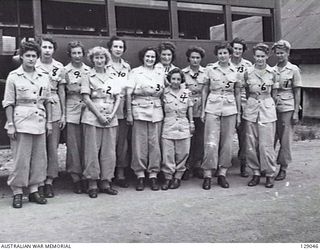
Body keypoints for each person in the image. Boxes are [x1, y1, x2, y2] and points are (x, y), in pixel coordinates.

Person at [2, 40, 52, 208]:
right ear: (21, 57)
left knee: (39, 158)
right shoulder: (14, 76)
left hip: (39, 120)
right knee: (21, 159)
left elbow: (48, 101)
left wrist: (49, 122)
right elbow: (8, 102)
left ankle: (34, 189)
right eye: (28, 56)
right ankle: (17, 191)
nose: (31, 59)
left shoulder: (43, 76)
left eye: (34, 56)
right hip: (21, 120)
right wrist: (10, 124)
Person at [81, 46, 121, 198]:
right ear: (92, 60)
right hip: (93, 116)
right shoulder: (87, 75)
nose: (99, 60)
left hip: (110, 116)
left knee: (109, 151)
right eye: (96, 58)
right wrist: (99, 116)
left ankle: (106, 181)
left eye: (102, 57)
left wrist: (112, 114)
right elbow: (86, 98)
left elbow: (118, 97)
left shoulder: (113, 75)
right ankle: (92, 183)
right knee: (92, 150)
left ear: (106, 59)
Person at [200, 43, 241, 190]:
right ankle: (208, 174)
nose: (222, 56)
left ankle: (222, 173)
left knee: (227, 143)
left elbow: (237, 92)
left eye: (225, 53)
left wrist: (238, 114)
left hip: (230, 107)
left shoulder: (235, 71)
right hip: (212, 106)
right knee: (210, 142)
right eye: (220, 53)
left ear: (230, 54)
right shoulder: (210, 69)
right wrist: (203, 110)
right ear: (217, 55)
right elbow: (204, 89)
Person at [127, 47, 165, 191]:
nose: (150, 59)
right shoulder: (135, 72)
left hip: (156, 110)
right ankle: (140, 175)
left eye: (153, 57)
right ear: (142, 57)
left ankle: (153, 174)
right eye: (147, 57)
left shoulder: (159, 73)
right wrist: (129, 113)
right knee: (139, 144)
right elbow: (129, 94)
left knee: (154, 144)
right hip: (139, 110)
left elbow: (163, 93)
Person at [243, 43, 278, 188]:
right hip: (251, 109)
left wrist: (268, 106)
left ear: (267, 56)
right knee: (251, 143)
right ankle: (256, 172)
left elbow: (274, 95)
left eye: (262, 56)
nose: (260, 59)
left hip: (267, 109)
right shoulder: (248, 72)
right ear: (253, 57)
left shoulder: (272, 73)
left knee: (266, 144)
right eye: (257, 56)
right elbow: (245, 90)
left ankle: (269, 173)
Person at [35, 35, 66, 198]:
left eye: (50, 47)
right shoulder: (33, 63)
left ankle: (49, 181)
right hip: (38, 105)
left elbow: (61, 90)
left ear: (54, 50)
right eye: (44, 47)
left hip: (54, 105)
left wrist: (63, 115)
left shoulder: (59, 67)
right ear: (39, 48)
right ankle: (38, 181)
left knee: (52, 146)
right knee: (39, 146)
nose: (47, 50)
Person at [272, 40, 302, 181]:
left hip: (287, 107)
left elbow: (297, 92)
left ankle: (283, 167)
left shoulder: (293, 70)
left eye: (282, 53)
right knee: (271, 138)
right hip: (272, 107)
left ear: (288, 53)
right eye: (277, 53)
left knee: (285, 139)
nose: (279, 56)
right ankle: (269, 166)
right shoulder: (272, 70)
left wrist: (296, 111)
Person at [161, 68, 194, 190]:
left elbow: (190, 107)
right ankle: (168, 177)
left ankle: (178, 177)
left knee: (183, 152)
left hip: (182, 124)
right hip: (169, 124)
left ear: (182, 80)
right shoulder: (164, 92)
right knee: (168, 153)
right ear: (169, 79)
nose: (175, 81)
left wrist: (191, 122)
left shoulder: (186, 92)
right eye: (173, 79)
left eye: (178, 79)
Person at [64, 41, 90, 193]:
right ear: (70, 54)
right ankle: (75, 177)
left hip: (86, 109)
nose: (77, 56)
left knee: (87, 144)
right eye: (74, 53)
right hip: (72, 109)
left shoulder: (88, 70)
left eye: (79, 53)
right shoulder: (65, 71)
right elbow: (64, 91)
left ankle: (86, 176)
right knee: (73, 145)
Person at [106, 36, 131, 188]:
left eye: (121, 47)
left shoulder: (126, 67)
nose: (118, 49)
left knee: (122, 143)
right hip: (108, 109)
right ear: (110, 48)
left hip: (121, 109)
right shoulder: (104, 65)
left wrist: (128, 111)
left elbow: (128, 90)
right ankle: (108, 174)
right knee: (109, 143)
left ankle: (120, 172)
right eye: (115, 46)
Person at [182, 46, 207, 180]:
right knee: (188, 138)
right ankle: (187, 166)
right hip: (187, 109)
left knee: (200, 138)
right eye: (192, 57)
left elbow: (206, 91)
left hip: (201, 107)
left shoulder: (206, 73)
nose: (195, 60)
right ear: (189, 58)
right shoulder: (183, 73)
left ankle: (198, 165)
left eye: (197, 58)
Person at [230, 38, 253, 178]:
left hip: (244, 102)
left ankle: (243, 163)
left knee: (244, 136)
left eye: (240, 49)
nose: (237, 51)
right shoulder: (226, 62)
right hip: (227, 101)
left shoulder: (248, 65)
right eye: (235, 48)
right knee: (225, 136)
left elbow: (250, 85)